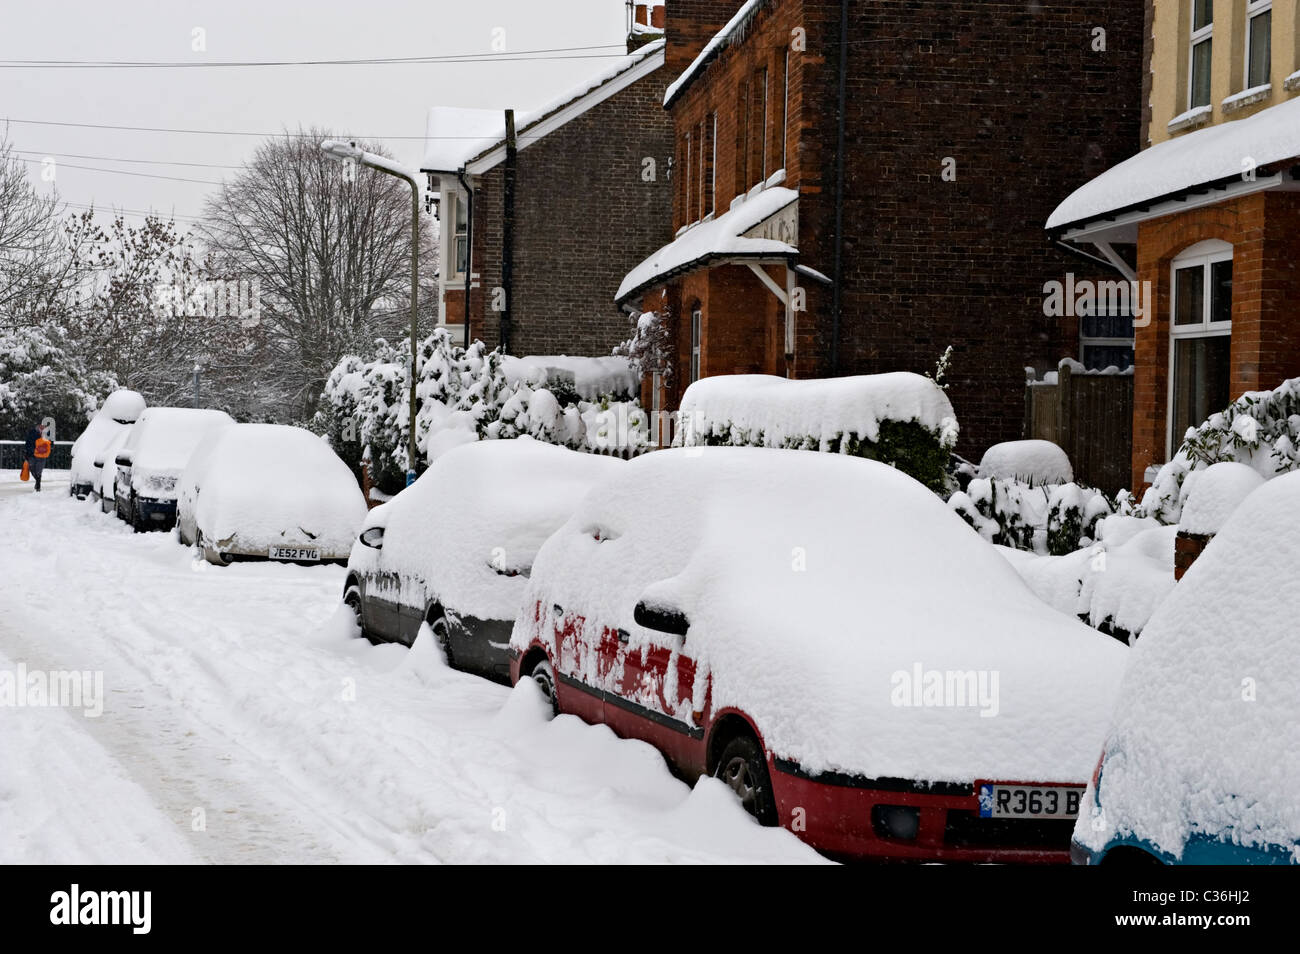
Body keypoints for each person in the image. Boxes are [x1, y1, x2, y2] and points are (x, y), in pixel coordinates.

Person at [24, 420, 51, 492]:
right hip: (32, 455)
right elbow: (27, 443)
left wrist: (47, 447)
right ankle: (37, 481)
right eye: (41, 425)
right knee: (32, 469)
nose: (43, 427)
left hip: (42, 455)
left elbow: (51, 444)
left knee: (39, 471)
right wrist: (28, 452)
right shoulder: (32, 432)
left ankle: (38, 485)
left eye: (44, 426)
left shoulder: (48, 433)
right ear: (38, 425)